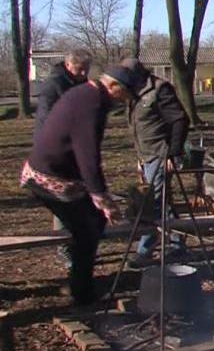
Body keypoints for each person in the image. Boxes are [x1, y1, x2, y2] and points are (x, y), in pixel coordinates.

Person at [20, 67, 135, 306]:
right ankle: (81, 293)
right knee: (87, 229)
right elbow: (87, 154)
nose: (125, 101)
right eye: (125, 95)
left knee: (95, 221)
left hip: (62, 173)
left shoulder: (89, 94)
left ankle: (79, 280)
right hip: (48, 176)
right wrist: (99, 195)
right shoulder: (90, 103)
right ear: (114, 87)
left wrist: (100, 194)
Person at [123, 59, 190, 268]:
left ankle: (145, 252)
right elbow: (140, 127)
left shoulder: (160, 90)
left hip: (161, 155)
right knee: (162, 203)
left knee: (154, 204)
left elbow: (180, 120)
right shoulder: (135, 94)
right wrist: (140, 157)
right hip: (146, 156)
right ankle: (177, 244)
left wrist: (172, 153)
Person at [33, 48, 94, 266]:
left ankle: (76, 240)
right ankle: (64, 246)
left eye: (87, 69)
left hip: (75, 147)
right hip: (56, 149)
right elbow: (47, 120)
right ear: (69, 65)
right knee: (61, 195)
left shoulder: (79, 83)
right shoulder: (54, 86)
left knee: (76, 195)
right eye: (80, 69)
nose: (84, 73)